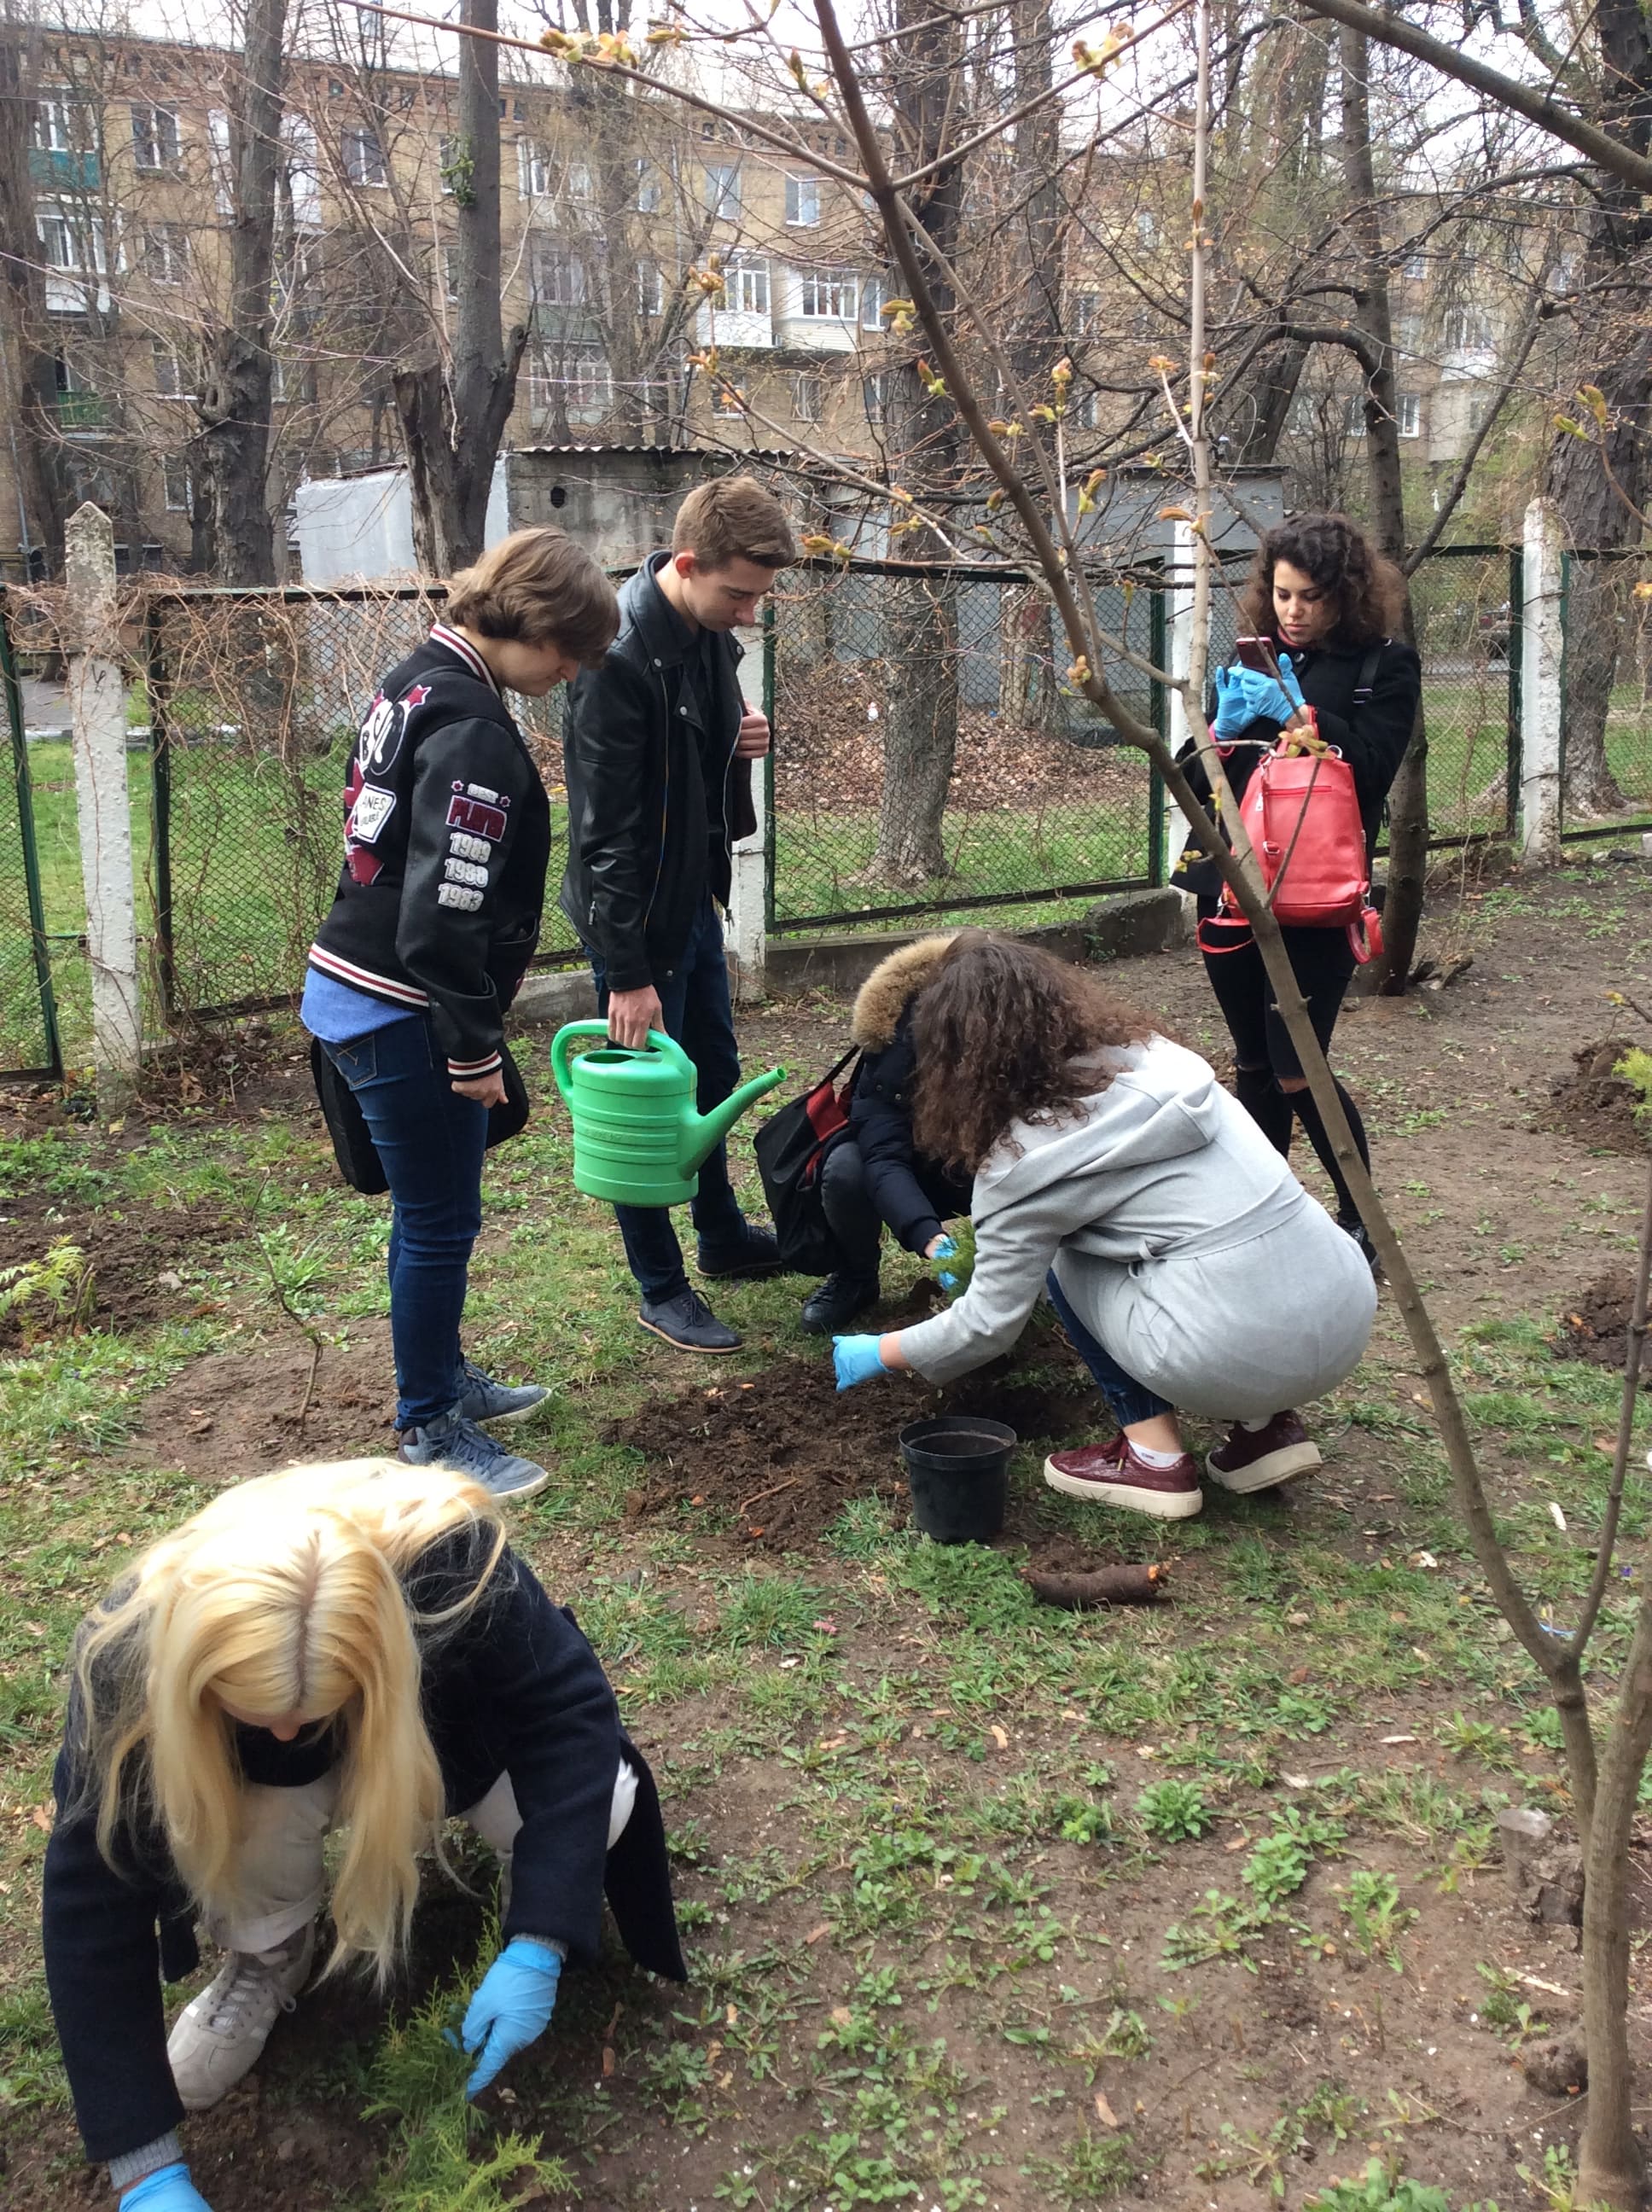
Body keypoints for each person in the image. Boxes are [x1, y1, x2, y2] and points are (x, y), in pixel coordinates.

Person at [42, 1460, 684, 2212]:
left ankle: (530, 1888)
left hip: (433, 1747)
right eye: (261, 1712)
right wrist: (144, 2169)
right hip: (264, 1791)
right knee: (239, 1804)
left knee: (603, 1801)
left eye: (310, 1708)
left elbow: (568, 1716)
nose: (288, 1733)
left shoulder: (451, 1561)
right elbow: (94, 1891)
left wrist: (543, 1935)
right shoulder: (128, 1654)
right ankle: (268, 1949)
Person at [829, 934, 1377, 1518]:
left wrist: (881, 1350)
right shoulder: (1159, 1058)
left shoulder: (1025, 1160)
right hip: (1345, 1305)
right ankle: (1266, 1430)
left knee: (1063, 1258)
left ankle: (1153, 1458)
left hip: (1227, 1351)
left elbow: (987, 1325)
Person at [303, 528, 620, 1498]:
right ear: (531, 624)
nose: (570, 673)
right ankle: (430, 1425)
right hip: (403, 1005)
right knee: (440, 1220)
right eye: (568, 651)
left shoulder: (414, 681)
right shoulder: (474, 725)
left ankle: (442, 1377)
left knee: (433, 1208)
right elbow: (444, 912)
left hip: (357, 984)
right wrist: (474, 1048)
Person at [561, 474, 796, 1353]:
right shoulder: (619, 659)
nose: (747, 613)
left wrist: (737, 741)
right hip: (634, 919)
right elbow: (604, 835)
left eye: (758, 597)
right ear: (688, 564)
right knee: (646, 1101)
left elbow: (687, 767)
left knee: (710, 1073)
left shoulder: (704, 635)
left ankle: (722, 1237)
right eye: (737, 593)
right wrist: (626, 974)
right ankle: (660, 1287)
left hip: (691, 899)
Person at [1187, 512, 1422, 1268]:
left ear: (1346, 594)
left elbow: (1374, 772)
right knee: (1254, 1063)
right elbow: (1197, 784)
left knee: (1299, 1064)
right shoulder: (1252, 657)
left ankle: (1362, 1221)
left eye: (1311, 597)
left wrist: (1301, 716)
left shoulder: (1383, 666)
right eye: (1283, 594)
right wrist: (1217, 733)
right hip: (1233, 883)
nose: (1293, 611)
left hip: (1316, 892)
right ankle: (1266, 1215)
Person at [800, 935, 974, 1335]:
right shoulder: (897, 1044)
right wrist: (931, 1239)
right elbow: (883, 1157)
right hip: (912, 1167)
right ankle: (857, 1276)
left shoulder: (1025, 1038)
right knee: (846, 1169)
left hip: (984, 1166)